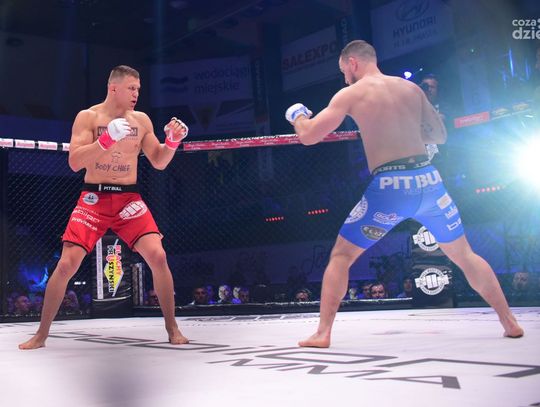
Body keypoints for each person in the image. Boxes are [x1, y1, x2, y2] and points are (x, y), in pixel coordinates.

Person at [285, 40, 523, 348]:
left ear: (353, 62)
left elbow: (308, 136)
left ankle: (323, 333)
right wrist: (405, 129)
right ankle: (509, 321)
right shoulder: (411, 89)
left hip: (390, 188)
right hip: (429, 181)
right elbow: (440, 135)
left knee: (341, 257)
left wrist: (298, 115)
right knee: (465, 255)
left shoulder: (351, 94)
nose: (344, 76)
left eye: (343, 69)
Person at [19, 65, 189, 350]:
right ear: (113, 88)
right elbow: (75, 162)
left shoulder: (141, 120)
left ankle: (172, 328)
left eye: (138, 89)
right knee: (66, 264)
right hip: (93, 199)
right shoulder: (88, 117)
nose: (136, 94)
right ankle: (41, 335)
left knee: (158, 256)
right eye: (131, 88)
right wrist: (106, 140)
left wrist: (172, 141)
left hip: (128, 200)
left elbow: (159, 161)